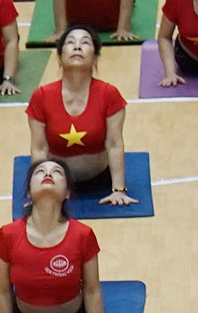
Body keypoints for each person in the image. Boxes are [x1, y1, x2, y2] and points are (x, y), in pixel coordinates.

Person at [0, 162, 118, 313]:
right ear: (28, 192)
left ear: (67, 193)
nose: (48, 174)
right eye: (40, 172)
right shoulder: (7, 235)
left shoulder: (83, 235)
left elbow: (92, 289)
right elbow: (3, 291)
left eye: (57, 172)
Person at [25, 26, 136, 200]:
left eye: (85, 43)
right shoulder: (41, 96)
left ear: (95, 58)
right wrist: (37, 193)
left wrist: (118, 189)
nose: (77, 47)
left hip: (100, 180)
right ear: (59, 57)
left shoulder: (109, 94)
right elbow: (39, 148)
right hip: (57, 184)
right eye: (70, 43)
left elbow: (114, 144)